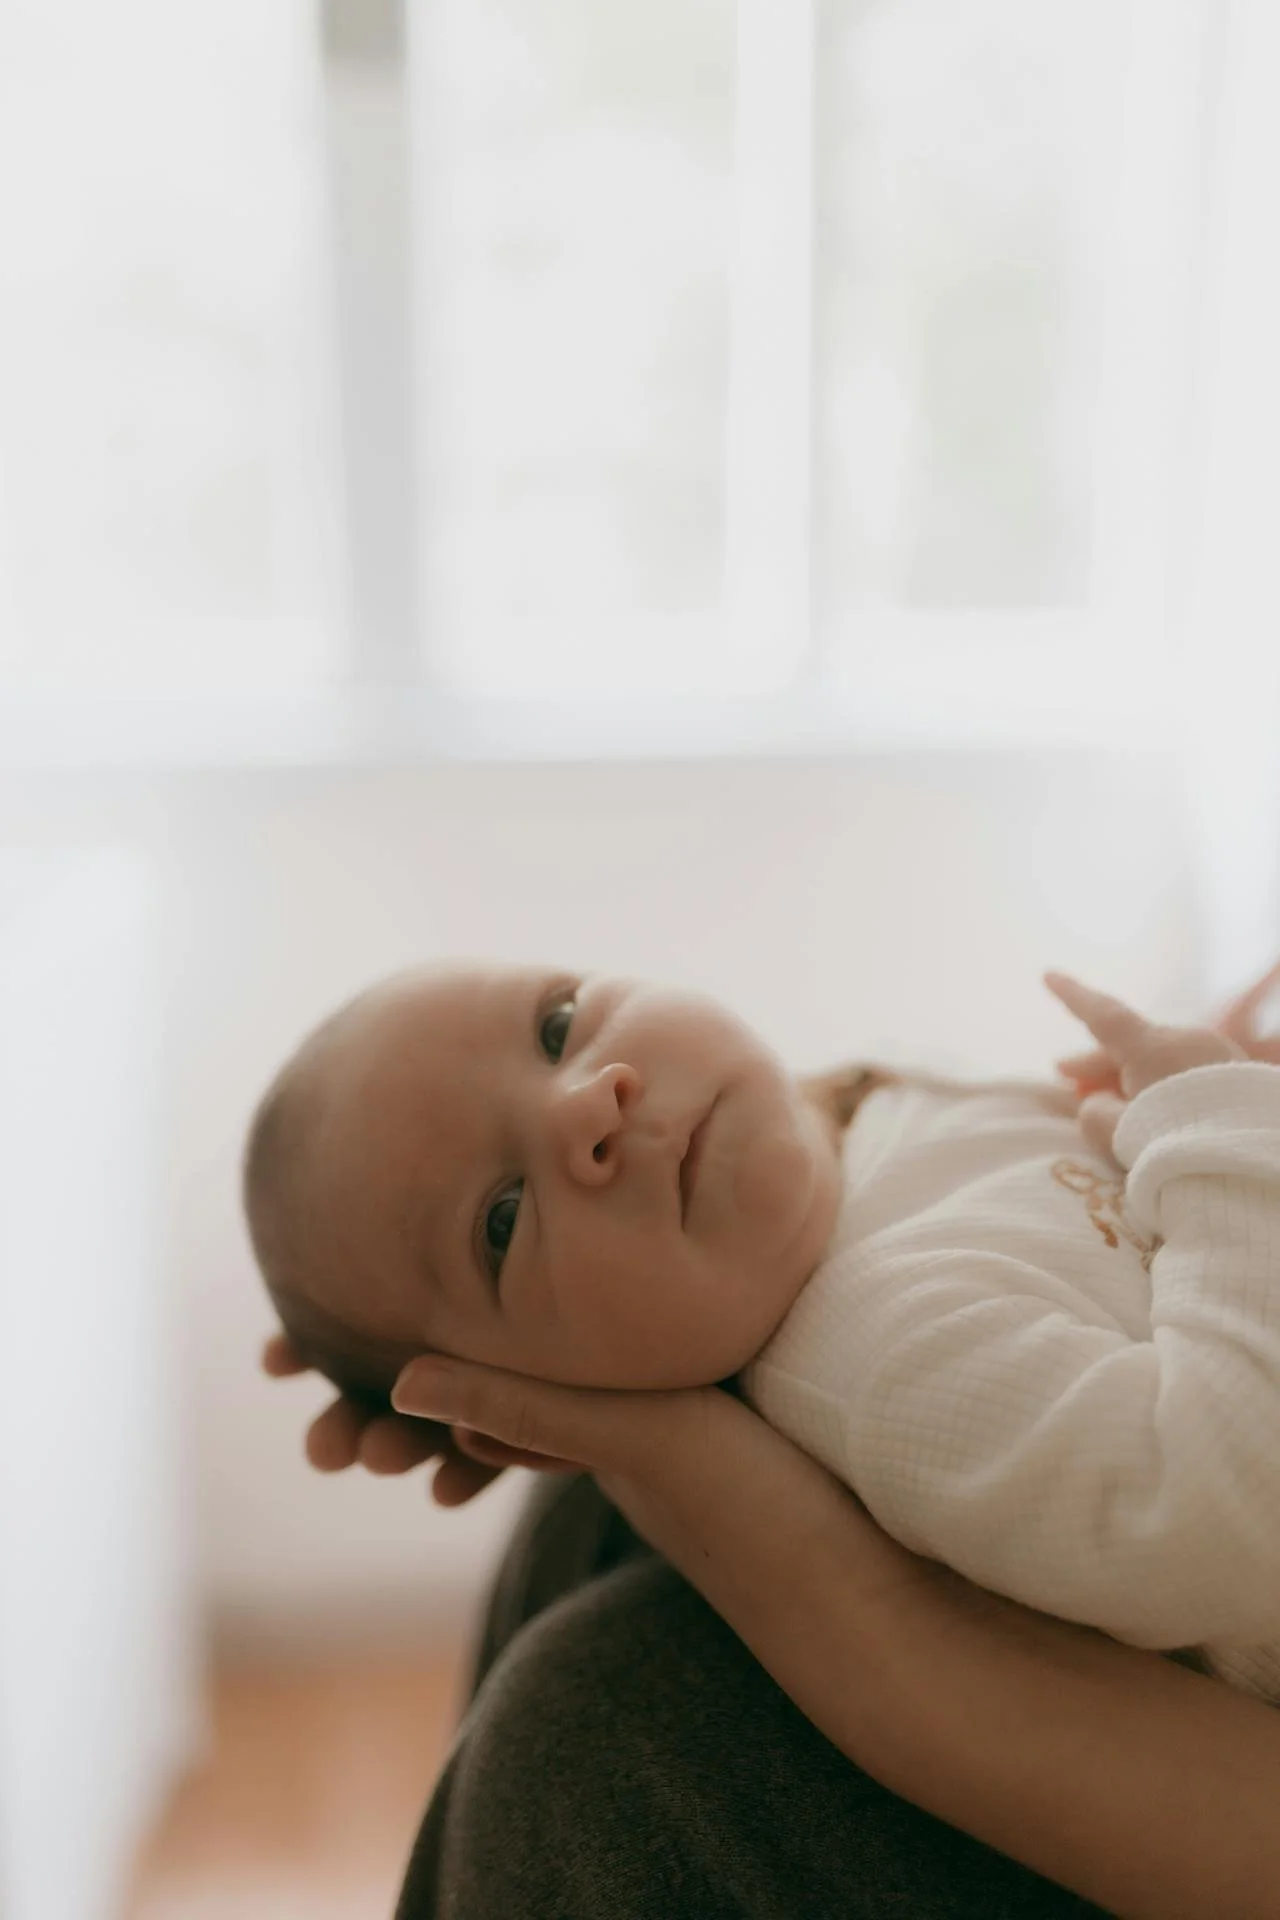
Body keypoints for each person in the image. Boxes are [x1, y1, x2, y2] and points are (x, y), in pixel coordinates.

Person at [246, 954, 1280, 1699]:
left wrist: (1185, 1084)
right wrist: (1220, 1137)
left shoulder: (868, 1111)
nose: (586, 1102)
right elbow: (1211, 1510)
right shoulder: (890, 1358)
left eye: (558, 1025)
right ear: (534, 1423)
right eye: (503, 1221)